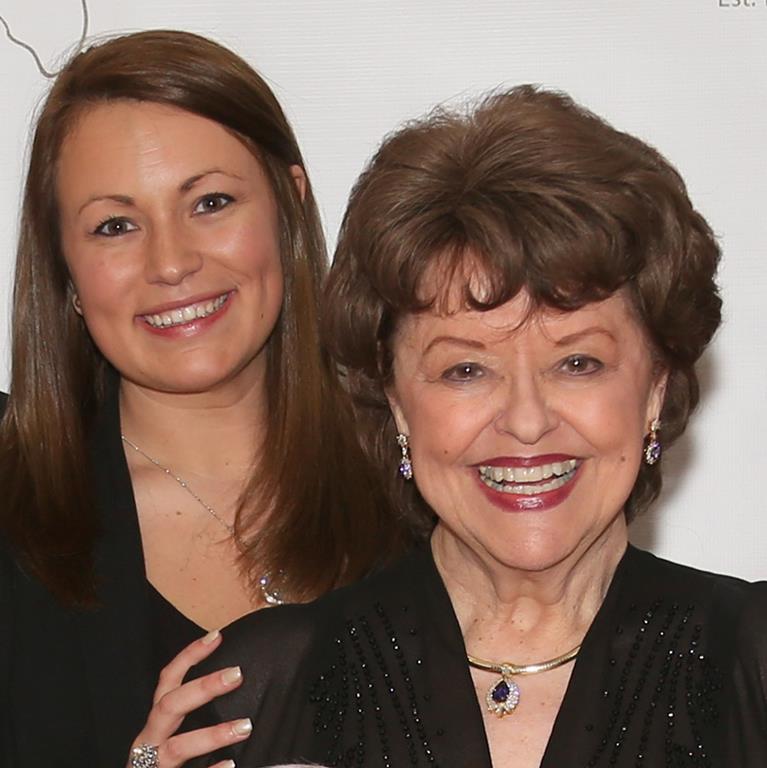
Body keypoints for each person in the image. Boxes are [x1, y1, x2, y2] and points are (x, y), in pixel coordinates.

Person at [190, 85, 767, 767]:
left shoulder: (752, 659)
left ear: (655, 386)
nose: (525, 421)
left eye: (577, 363)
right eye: (465, 370)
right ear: (394, 399)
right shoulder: (258, 689)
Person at [0, 30, 407, 768]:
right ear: (64, 269)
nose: (171, 263)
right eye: (115, 226)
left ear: (288, 204)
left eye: (210, 202)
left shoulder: (431, 476)